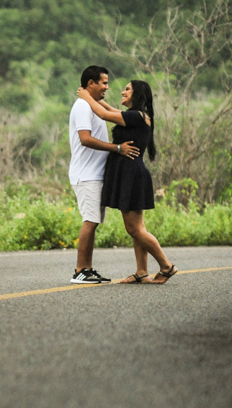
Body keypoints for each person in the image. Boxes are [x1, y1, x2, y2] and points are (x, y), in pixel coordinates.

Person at [77, 80, 178, 284]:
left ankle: (167, 266)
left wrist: (86, 96)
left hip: (131, 175)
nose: (122, 92)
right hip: (130, 173)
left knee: (134, 229)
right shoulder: (137, 116)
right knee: (138, 227)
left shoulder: (136, 116)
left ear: (137, 94)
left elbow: (105, 115)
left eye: (127, 89)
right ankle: (141, 271)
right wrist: (94, 98)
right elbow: (110, 110)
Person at [68, 66, 139, 284]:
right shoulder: (82, 106)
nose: (107, 87)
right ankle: (80, 271)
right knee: (90, 221)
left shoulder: (93, 105)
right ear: (91, 83)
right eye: (104, 83)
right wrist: (117, 148)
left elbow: (111, 113)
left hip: (96, 175)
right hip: (86, 175)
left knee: (94, 221)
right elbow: (85, 139)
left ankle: (87, 269)